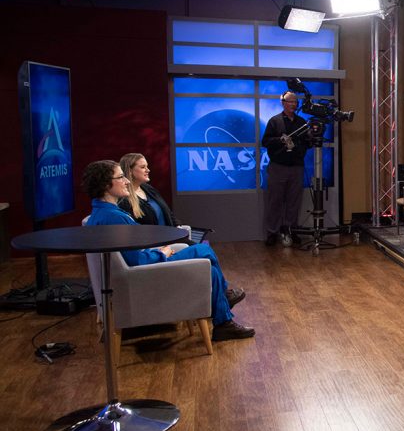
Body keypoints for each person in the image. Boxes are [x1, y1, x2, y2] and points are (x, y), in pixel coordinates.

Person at [82, 160, 255, 341]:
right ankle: (225, 302)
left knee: (210, 271)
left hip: (140, 270)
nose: (126, 181)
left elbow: (130, 253)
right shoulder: (114, 218)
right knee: (205, 252)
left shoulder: (102, 214)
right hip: (143, 275)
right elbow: (136, 261)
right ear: (105, 185)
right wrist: (161, 253)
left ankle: (223, 322)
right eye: (120, 177)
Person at [262, 91, 308, 247]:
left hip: (296, 167)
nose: (293, 104)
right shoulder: (274, 121)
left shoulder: (302, 123)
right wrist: (280, 140)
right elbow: (265, 141)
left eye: (295, 102)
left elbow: (307, 142)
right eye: (290, 102)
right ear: (283, 103)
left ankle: (290, 229)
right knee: (275, 201)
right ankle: (272, 232)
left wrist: (300, 146)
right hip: (278, 167)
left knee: (293, 202)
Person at [118, 153, 183, 229]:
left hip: (171, 236)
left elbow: (167, 212)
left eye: (147, 166)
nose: (148, 170)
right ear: (130, 171)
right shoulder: (124, 198)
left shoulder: (148, 189)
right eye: (143, 167)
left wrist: (178, 225)